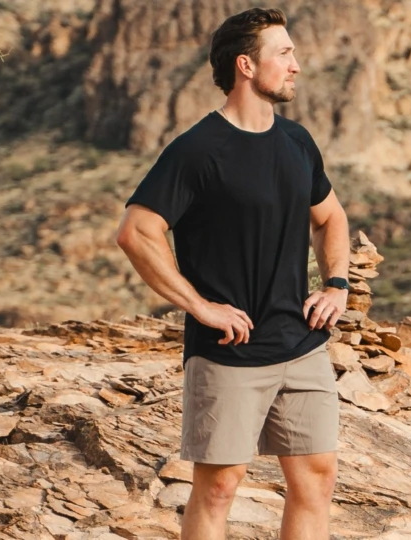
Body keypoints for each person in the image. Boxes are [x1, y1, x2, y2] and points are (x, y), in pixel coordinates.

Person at [115, 7, 350, 539]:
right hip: (228, 351)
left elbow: (330, 216)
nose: (296, 65)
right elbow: (136, 232)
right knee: (219, 488)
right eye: (283, 54)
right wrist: (200, 307)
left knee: (317, 480)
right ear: (246, 65)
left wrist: (336, 284)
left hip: (301, 343)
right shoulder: (198, 150)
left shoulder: (297, 142)